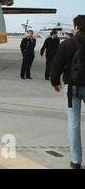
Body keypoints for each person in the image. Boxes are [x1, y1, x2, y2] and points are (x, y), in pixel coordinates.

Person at [50, 15, 85, 169]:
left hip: (72, 87)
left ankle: (76, 161)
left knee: (74, 122)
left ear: (76, 27)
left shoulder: (68, 43)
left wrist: (55, 82)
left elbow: (56, 64)